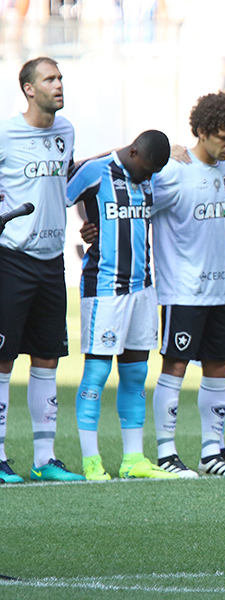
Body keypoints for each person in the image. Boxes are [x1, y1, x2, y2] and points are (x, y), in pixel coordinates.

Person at [66, 130, 178, 481]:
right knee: (97, 374)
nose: (149, 177)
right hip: (104, 288)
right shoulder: (96, 171)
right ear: (132, 153)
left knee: (136, 374)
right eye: (145, 169)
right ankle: (91, 461)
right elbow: (60, 197)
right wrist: (81, 230)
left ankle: (133, 460)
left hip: (143, 289)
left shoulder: (149, 176)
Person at [150, 91, 225, 478]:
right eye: (223, 137)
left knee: (219, 366)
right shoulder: (174, 170)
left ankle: (212, 453)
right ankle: (167, 453)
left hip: (223, 289)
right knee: (175, 364)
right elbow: (139, 204)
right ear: (203, 131)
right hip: (184, 289)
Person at [0, 57, 83, 483]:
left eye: (60, 78)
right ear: (29, 89)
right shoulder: (5, 133)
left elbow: (72, 177)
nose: (59, 84)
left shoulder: (65, 132)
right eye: (49, 79)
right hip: (12, 257)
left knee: (48, 356)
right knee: (2, 357)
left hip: (53, 260)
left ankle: (45, 458)